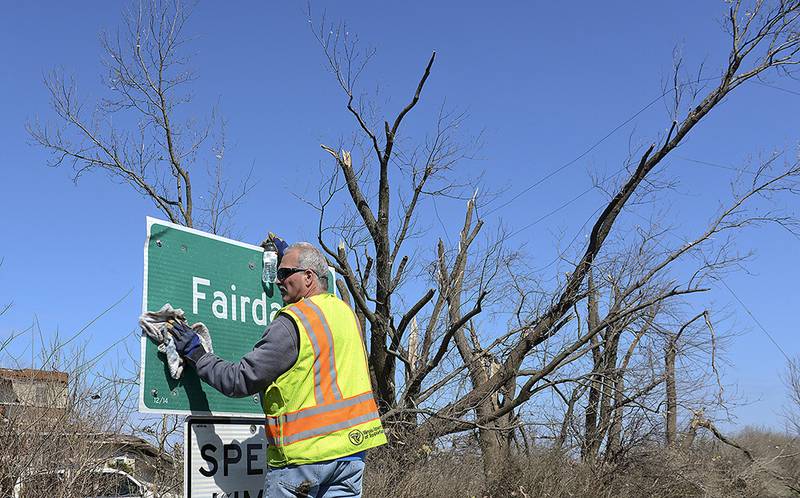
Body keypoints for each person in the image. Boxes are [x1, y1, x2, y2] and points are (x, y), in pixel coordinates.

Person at [168, 240, 387, 497]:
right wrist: (287, 256)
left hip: (303, 460)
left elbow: (239, 380)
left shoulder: (295, 320)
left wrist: (196, 353)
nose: (277, 281)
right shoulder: (345, 313)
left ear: (309, 277)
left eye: (284, 274)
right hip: (351, 457)